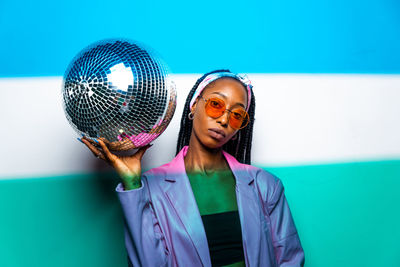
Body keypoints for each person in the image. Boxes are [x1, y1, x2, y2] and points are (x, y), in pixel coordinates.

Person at [80, 70, 305, 267]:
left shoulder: (266, 185)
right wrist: (131, 183)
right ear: (195, 104)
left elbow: (290, 259)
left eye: (237, 115)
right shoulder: (149, 188)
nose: (224, 120)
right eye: (216, 105)